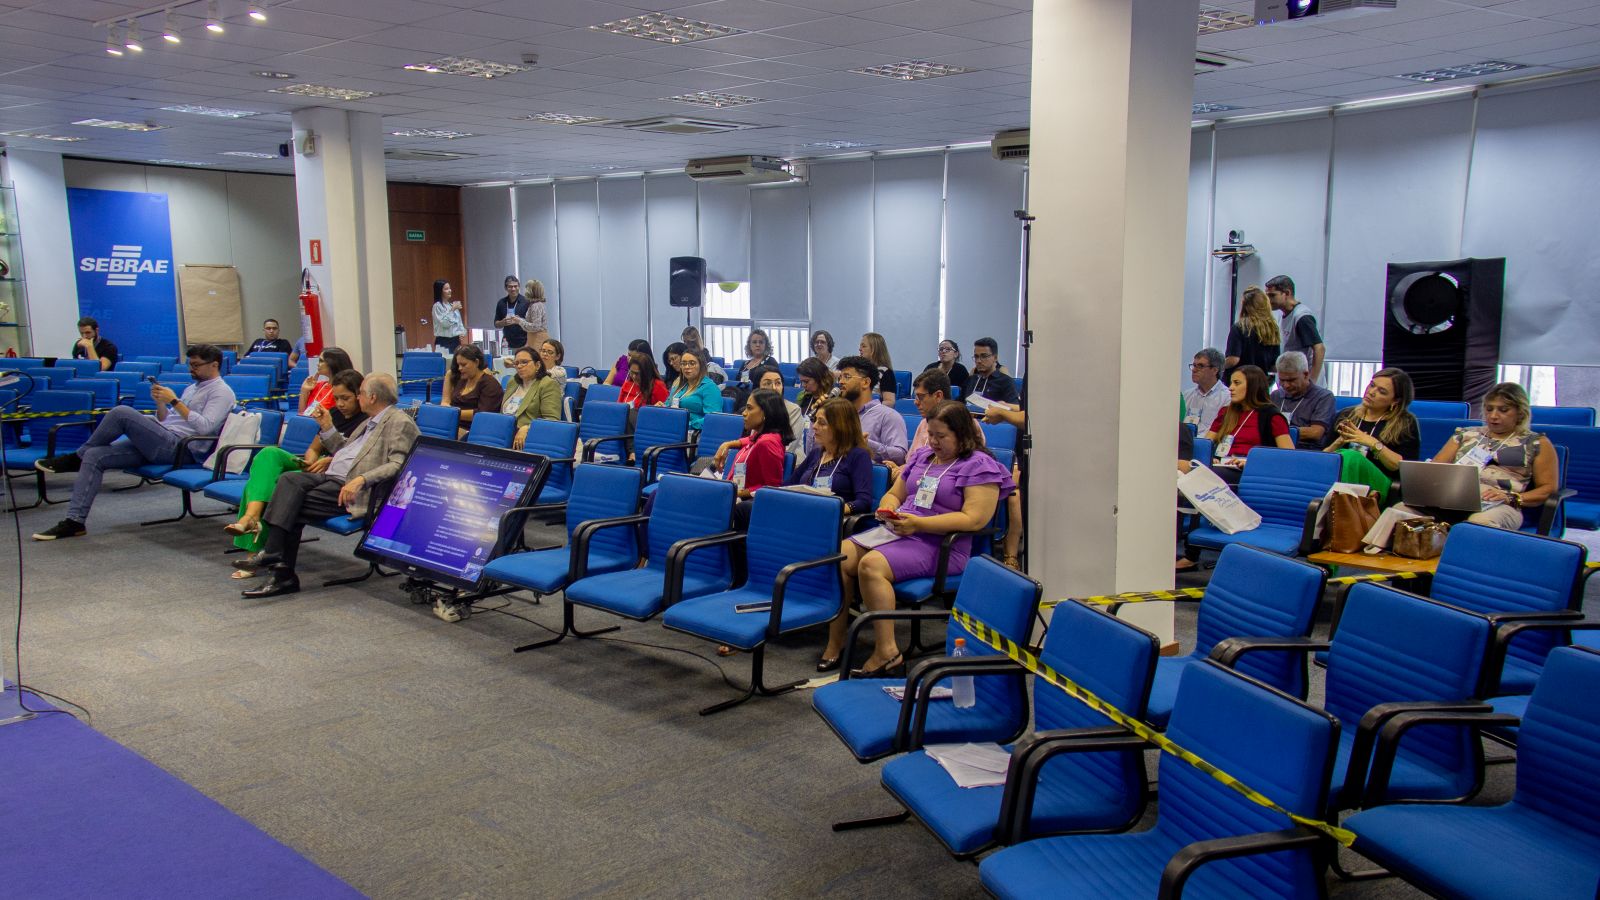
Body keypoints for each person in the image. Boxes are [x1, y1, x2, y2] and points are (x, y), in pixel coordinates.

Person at [821, 400, 1014, 675]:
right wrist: (888, 508)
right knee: (839, 556)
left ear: (962, 434)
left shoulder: (979, 465)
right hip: (901, 530)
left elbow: (975, 519)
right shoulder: (923, 457)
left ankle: (887, 651)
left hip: (942, 544)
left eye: (941, 436)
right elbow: (895, 494)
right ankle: (836, 640)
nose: (933, 441)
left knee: (871, 565)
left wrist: (919, 524)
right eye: (930, 434)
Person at [241, 374, 420, 598]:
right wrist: (327, 427)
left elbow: (400, 464)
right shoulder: (370, 421)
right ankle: (276, 559)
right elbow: (344, 451)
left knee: (289, 504)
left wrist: (362, 479)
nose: (358, 397)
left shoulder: (399, 422)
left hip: (354, 489)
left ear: (372, 397)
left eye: (360, 393)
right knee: (288, 480)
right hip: (331, 478)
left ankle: (278, 567)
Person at [33, 344, 236, 540]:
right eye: (190, 364)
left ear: (214, 365)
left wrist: (174, 401)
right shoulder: (192, 388)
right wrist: (161, 403)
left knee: (121, 412)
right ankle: (75, 521)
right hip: (162, 438)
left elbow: (205, 427)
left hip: (181, 448)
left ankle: (76, 458)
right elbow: (165, 420)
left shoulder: (221, 392)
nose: (191, 369)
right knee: (94, 456)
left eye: (196, 365)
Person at [224, 368, 369, 557]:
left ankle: (252, 532)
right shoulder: (333, 414)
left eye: (345, 398)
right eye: (336, 398)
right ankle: (252, 518)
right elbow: (314, 448)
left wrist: (331, 460)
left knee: (261, 485)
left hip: (333, 474)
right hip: (314, 467)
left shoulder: (367, 421)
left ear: (359, 395)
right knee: (268, 454)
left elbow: (361, 457)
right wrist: (310, 461)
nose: (340, 404)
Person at [1428, 382, 1558, 530]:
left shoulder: (1536, 443)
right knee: (1406, 513)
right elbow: (1435, 471)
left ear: (1520, 413)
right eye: (1489, 409)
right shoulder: (1465, 434)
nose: (1493, 416)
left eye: (1503, 410)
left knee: (1479, 523)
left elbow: (1548, 489)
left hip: (1503, 504)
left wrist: (1511, 497)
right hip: (1455, 499)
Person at [1323, 367, 1420, 502]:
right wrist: (1338, 443)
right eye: (1372, 385)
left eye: (1382, 391)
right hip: (1339, 477)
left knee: (1351, 456)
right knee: (1344, 457)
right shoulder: (1345, 415)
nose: (1371, 392)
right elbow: (1324, 457)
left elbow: (1403, 467)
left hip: (1379, 487)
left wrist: (1372, 443)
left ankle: (1337, 504)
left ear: (1395, 401)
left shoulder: (1405, 423)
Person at [1203, 365, 1294, 482]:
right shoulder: (1225, 413)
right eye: (1231, 383)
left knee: (1208, 477)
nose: (1230, 388)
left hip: (1250, 470)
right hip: (1221, 465)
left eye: (1237, 383)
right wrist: (1210, 457)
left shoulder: (1272, 416)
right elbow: (1205, 445)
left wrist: (1251, 463)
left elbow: (1289, 457)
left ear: (1253, 387)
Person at [788, 397, 874, 518]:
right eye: (815, 420)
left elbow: (864, 502)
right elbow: (788, 485)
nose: (814, 426)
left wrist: (832, 509)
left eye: (822, 423)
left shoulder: (858, 456)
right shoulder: (816, 453)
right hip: (804, 513)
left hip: (830, 519)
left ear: (840, 427)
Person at [710, 389, 793, 503]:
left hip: (744, 503)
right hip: (733, 495)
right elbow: (750, 440)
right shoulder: (761, 436)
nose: (744, 413)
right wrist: (727, 444)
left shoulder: (767, 443)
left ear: (765, 412)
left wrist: (735, 492)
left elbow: (772, 488)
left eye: (749, 408)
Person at [835, 356, 907, 464]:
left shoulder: (888, 415)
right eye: (840, 377)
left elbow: (900, 455)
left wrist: (866, 444)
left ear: (865, 382)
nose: (841, 382)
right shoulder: (839, 414)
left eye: (847, 377)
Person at [1266, 275, 1326, 384]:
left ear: (1287, 293)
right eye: (1267, 296)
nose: (1268, 300)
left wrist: (1312, 381)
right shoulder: (1283, 315)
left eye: (1272, 295)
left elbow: (1319, 348)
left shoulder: (1302, 317)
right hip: (1293, 382)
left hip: (1305, 385)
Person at [1270, 351, 1335, 449]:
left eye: (1291, 380)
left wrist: (1279, 431)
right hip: (1275, 447)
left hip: (1305, 449)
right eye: (1282, 380)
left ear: (1306, 374)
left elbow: (1315, 432)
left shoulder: (1324, 397)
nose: (1286, 385)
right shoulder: (1276, 395)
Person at [503, 346, 562, 450]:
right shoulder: (513, 381)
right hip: (504, 433)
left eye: (524, 362)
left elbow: (552, 420)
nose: (519, 366)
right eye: (516, 363)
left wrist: (528, 428)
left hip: (527, 439)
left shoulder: (548, 384)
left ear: (537, 365)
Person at [441, 344, 504, 434]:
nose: (460, 368)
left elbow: (482, 414)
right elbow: (446, 402)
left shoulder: (491, 385)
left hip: (475, 430)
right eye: (458, 365)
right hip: (453, 425)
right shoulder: (462, 380)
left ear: (477, 362)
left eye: (464, 364)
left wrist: (452, 413)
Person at [1224, 286, 1280, 378]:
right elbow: (1274, 366)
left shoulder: (1239, 327)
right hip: (1261, 380)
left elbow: (1233, 360)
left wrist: (1217, 366)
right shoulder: (1273, 329)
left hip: (1240, 379)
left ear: (1245, 306)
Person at [753, 365, 806, 456]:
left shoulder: (793, 410)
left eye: (778, 383)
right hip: (758, 456)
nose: (774, 388)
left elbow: (788, 447)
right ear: (757, 387)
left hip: (786, 460)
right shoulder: (754, 408)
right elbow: (750, 440)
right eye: (767, 383)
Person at [666, 347, 723, 431]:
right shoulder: (679, 385)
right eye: (683, 363)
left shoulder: (710, 388)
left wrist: (688, 424)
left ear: (701, 365)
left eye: (692, 363)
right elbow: (667, 405)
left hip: (694, 432)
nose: (687, 367)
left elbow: (713, 419)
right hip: (672, 427)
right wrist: (661, 408)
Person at [902, 368, 953, 462]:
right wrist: (899, 468)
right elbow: (910, 462)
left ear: (938, 396)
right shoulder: (924, 423)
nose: (915, 402)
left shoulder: (964, 424)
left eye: (920, 397)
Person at [1182, 348, 1229, 434]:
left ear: (1215, 370)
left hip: (1210, 441)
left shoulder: (1227, 398)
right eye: (1194, 365)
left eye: (1200, 366)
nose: (1194, 370)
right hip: (1186, 440)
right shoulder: (1187, 395)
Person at [297, 346, 355, 414]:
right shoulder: (317, 385)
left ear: (332, 363)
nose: (318, 364)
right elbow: (302, 414)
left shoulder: (343, 390)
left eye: (321, 361)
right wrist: (304, 390)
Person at [963, 337, 1020, 405]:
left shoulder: (1006, 382)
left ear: (995, 358)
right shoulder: (970, 380)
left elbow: (1014, 407)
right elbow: (960, 403)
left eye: (984, 356)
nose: (978, 361)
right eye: (976, 356)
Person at [493, 276, 531, 353]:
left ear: (519, 287)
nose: (513, 289)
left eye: (515, 286)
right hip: (506, 344)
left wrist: (520, 321)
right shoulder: (501, 303)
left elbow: (532, 325)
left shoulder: (526, 302)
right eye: (510, 287)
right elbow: (496, 324)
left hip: (524, 344)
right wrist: (502, 322)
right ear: (506, 288)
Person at [859, 332, 897, 406]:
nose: (860, 349)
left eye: (863, 346)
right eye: (860, 346)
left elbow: (890, 402)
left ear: (875, 349)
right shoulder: (859, 370)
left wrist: (868, 407)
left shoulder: (885, 373)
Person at [795, 358, 836, 425]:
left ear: (819, 378)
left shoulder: (833, 398)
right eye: (801, 381)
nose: (803, 385)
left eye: (806, 381)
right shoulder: (802, 396)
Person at [430, 280, 465, 352]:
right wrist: (452, 310)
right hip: (444, 341)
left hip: (456, 340)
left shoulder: (452, 305)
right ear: (440, 291)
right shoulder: (437, 306)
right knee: (445, 358)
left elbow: (459, 323)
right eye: (446, 289)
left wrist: (462, 332)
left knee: (456, 358)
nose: (450, 291)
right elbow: (445, 324)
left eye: (449, 288)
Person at [518, 278, 550, 350]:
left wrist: (519, 321)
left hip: (538, 340)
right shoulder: (536, 305)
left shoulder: (535, 306)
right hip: (534, 338)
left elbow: (536, 327)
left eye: (526, 288)